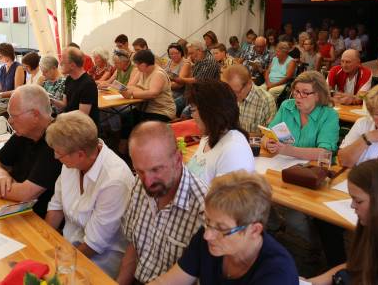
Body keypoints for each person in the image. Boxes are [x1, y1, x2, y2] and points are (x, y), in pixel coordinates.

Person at [150, 171, 299, 285]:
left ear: (254, 230)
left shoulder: (277, 273)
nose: (207, 235)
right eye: (207, 221)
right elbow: (167, 282)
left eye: (222, 228)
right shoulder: (208, 237)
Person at [45, 111, 134, 278]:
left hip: (100, 261)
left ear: (80, 154)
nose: (55, 157)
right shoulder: (72, 162)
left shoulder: (114, 180)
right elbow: (56, 207)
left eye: (58, 153)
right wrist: (43, 245)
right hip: (69, 249)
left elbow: (94, 245)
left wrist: (59, 267)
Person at [117, 122, 207, 284]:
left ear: (178, 160)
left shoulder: (203, 210)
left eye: (156, 170)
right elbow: (133, 247)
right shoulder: (140, 183)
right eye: (140, 171)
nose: (148, 181)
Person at [0, 85, 61, 218]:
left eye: (14, 116)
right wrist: (1, 175)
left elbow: (26, 193)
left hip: (37, 219)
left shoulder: (56, 140)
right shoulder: (24, 133)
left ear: (35, 115)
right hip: (14, 207)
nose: (10, 121)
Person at [185, 81, 254, 185]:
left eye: (193, 109)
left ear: (210, 112)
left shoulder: (234, 150)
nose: (192, 115)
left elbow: (224, 199)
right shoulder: (208, 137)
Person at [264, 71, 339, 161]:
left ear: (318, 96)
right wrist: (267, 143)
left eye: (305, 93)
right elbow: (267, 135)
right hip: (281, 163)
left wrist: (290, 151)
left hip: (311, 169)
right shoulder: (286, 106)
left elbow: (325, 153)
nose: (298, 96)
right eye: (296, 91)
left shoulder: (329, 115)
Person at [120, 49, 175, 122]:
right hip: (145, 108)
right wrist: (143, 92)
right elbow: (129, 86)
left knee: (134, 122)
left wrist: (132, 94)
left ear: (143, 65)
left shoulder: (158, 74)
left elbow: (152, 94)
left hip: (160, 111)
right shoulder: (142, 70)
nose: (135, 66)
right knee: (125, 117)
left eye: (136, 64)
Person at [52, 47, 100, 126]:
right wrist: (50, 99)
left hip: (83, 128)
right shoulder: (69, 79)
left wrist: (59, 119)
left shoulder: (88, 84)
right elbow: (65, 105)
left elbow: (82, 117)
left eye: (63, 62)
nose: (60, 63)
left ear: (72, 65)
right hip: (71, 122)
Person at [223, 65, 276, 135]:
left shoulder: (266, 101)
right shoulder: (228, 95)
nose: (232, 96)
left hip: (252, 144)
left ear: (249, 83)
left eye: (236, 92)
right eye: (229, 91)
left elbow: (270, 135)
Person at [163, 43, 191, 114]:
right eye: (171, 54)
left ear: (181, 52)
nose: (173, 55)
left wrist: (163, 85)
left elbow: (179, 85)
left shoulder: (185, 64)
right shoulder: (169, 62)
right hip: (167, 92)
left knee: (160, 107)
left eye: (176, 53)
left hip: (179, 94)